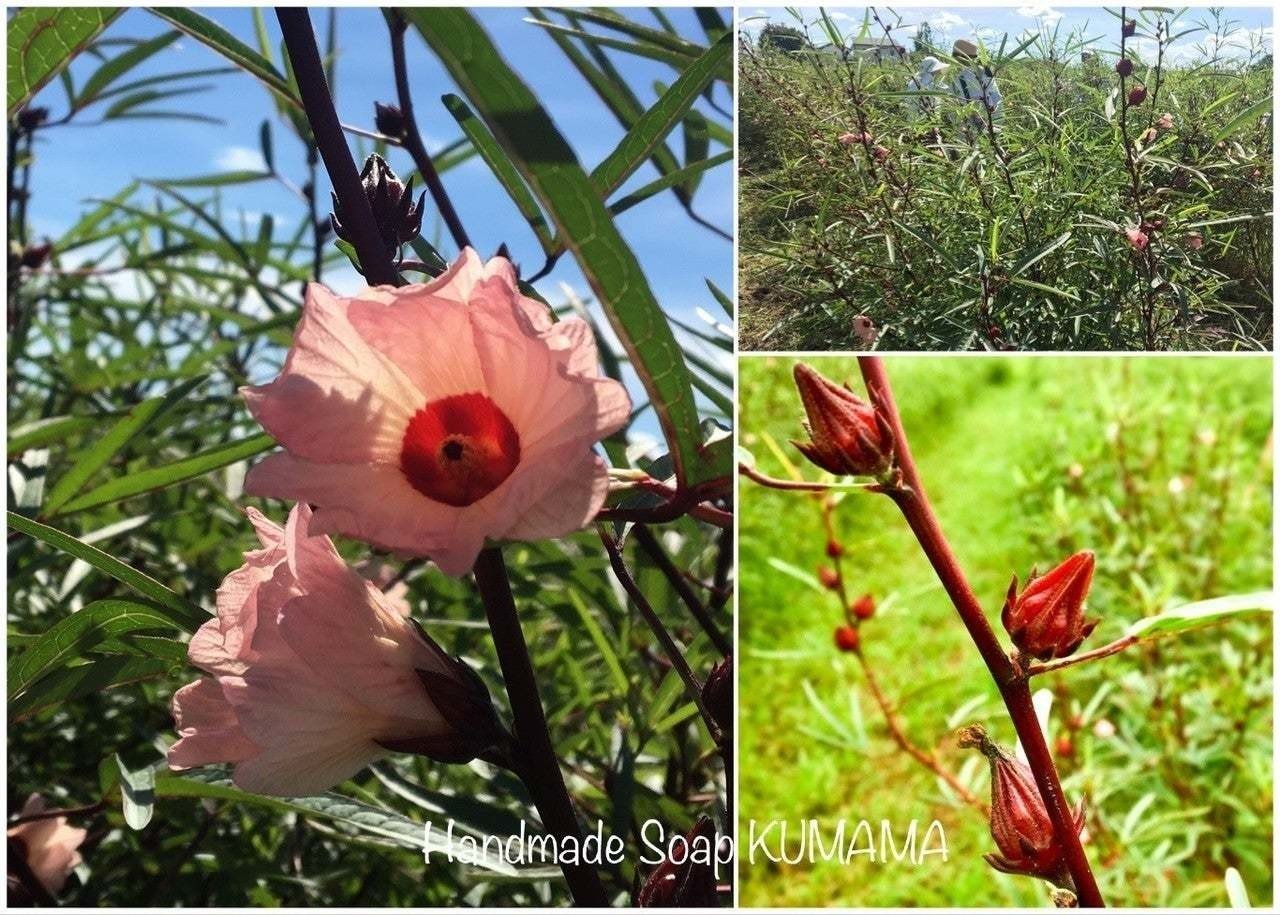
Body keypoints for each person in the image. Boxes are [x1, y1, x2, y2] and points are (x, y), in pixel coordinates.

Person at [951, 39, 1003, 130]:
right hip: (996, 122)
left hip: (974, 131)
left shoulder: (959, 79)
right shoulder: (987, 73)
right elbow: (997, 97)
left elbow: (959, 109)